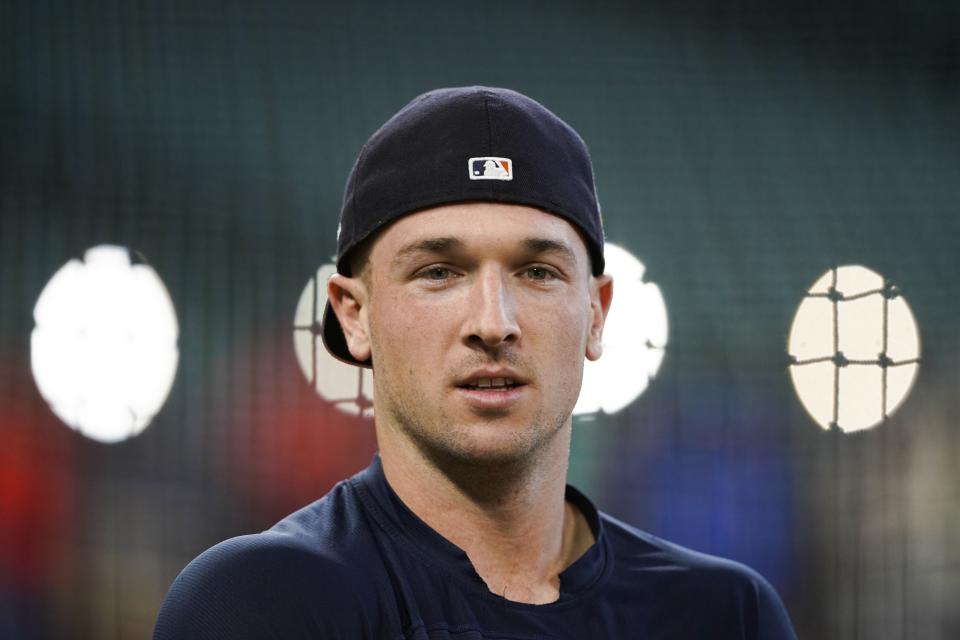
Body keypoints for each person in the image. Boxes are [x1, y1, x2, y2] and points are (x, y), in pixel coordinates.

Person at [154, 86, 797, 639]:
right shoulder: (261, 604)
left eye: (538, 272)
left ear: (596, 314)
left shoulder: (725, 616)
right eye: (439, 272)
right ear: (354, 314)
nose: (494, 323)